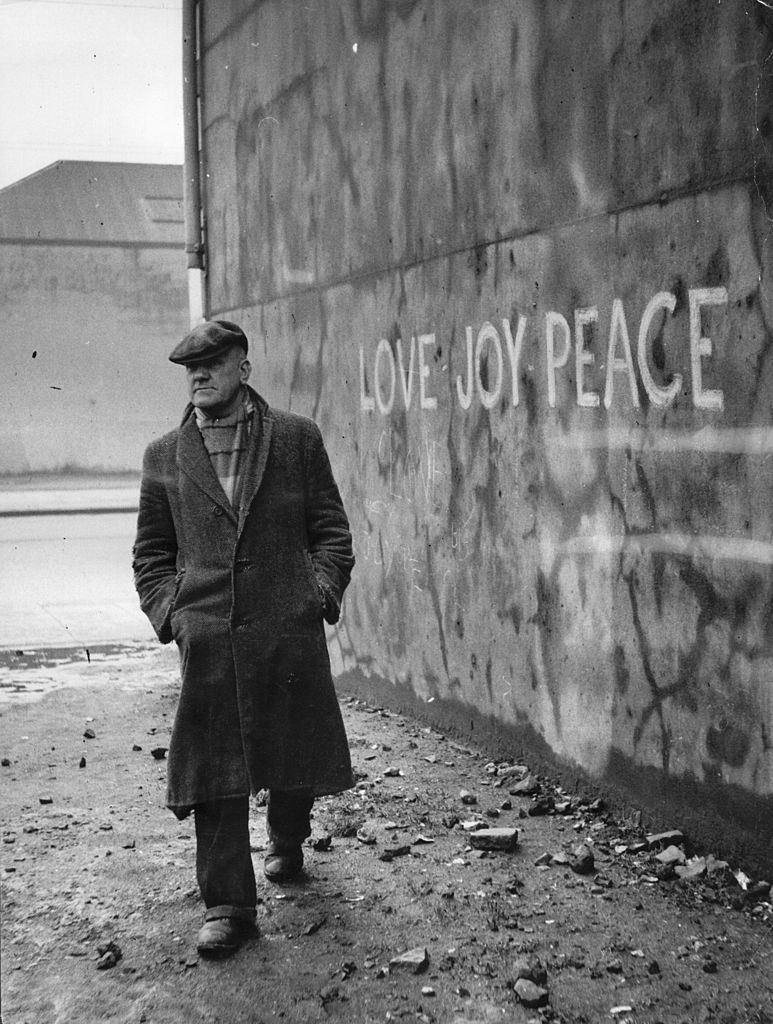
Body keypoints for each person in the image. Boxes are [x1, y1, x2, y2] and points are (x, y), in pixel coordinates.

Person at [132, 319, 355, 958]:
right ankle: (228, 904)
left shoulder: (295, 440)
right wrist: (175, 615)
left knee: (293, 752)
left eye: (214, 363)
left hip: (287, 629)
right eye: (190, 368)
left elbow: (331, 534)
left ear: (243, 369)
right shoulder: (164, 457)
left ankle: (288, 837)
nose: (199, 375)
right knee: (215, 767)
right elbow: (151, 554)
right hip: (209, 637)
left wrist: (315, 594)